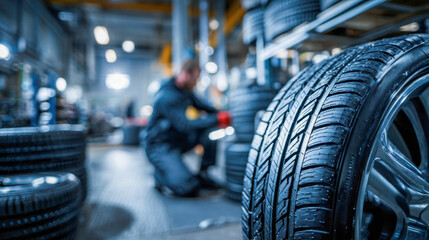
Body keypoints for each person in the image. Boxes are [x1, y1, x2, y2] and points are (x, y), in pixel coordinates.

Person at [143, 59, 231, 197]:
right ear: (185, 74)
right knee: (188, 187)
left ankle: (203, 173)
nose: (197, 82)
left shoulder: (186, 91)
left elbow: (205, 108)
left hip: (177, 139)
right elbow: (184, 125)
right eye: (195, 78)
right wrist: (217, 119)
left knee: (210, 131)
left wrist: (223, 113)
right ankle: (161, 175)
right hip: (160, 146)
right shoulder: (167, 97)